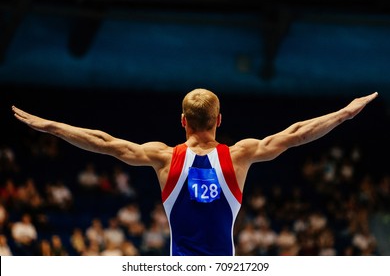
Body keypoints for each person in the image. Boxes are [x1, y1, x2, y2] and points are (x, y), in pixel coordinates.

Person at [11, 88, 378, 256]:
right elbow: (297, 134)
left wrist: (52, 126)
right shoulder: (239, 156)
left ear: (182, 121)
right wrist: (344, 113)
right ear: (219, 120)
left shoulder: (162, 157)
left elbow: (103, 141)